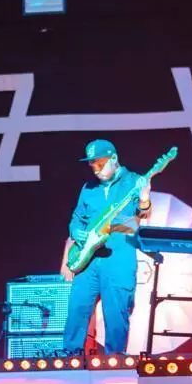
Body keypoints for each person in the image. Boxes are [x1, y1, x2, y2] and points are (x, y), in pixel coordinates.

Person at [62, 139, 152, 355]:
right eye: (92, 165)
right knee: (77, 309)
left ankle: (115, 361)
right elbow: (76, 219)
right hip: (88, 261)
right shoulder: (88, 188)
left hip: (118, 258)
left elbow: (141, 219)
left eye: (100, 164)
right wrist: (76, 232)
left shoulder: (134, 181)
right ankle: (70, 358)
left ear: (114, 158)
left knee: (116, 314)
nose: (96, 170)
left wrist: (144, 199)